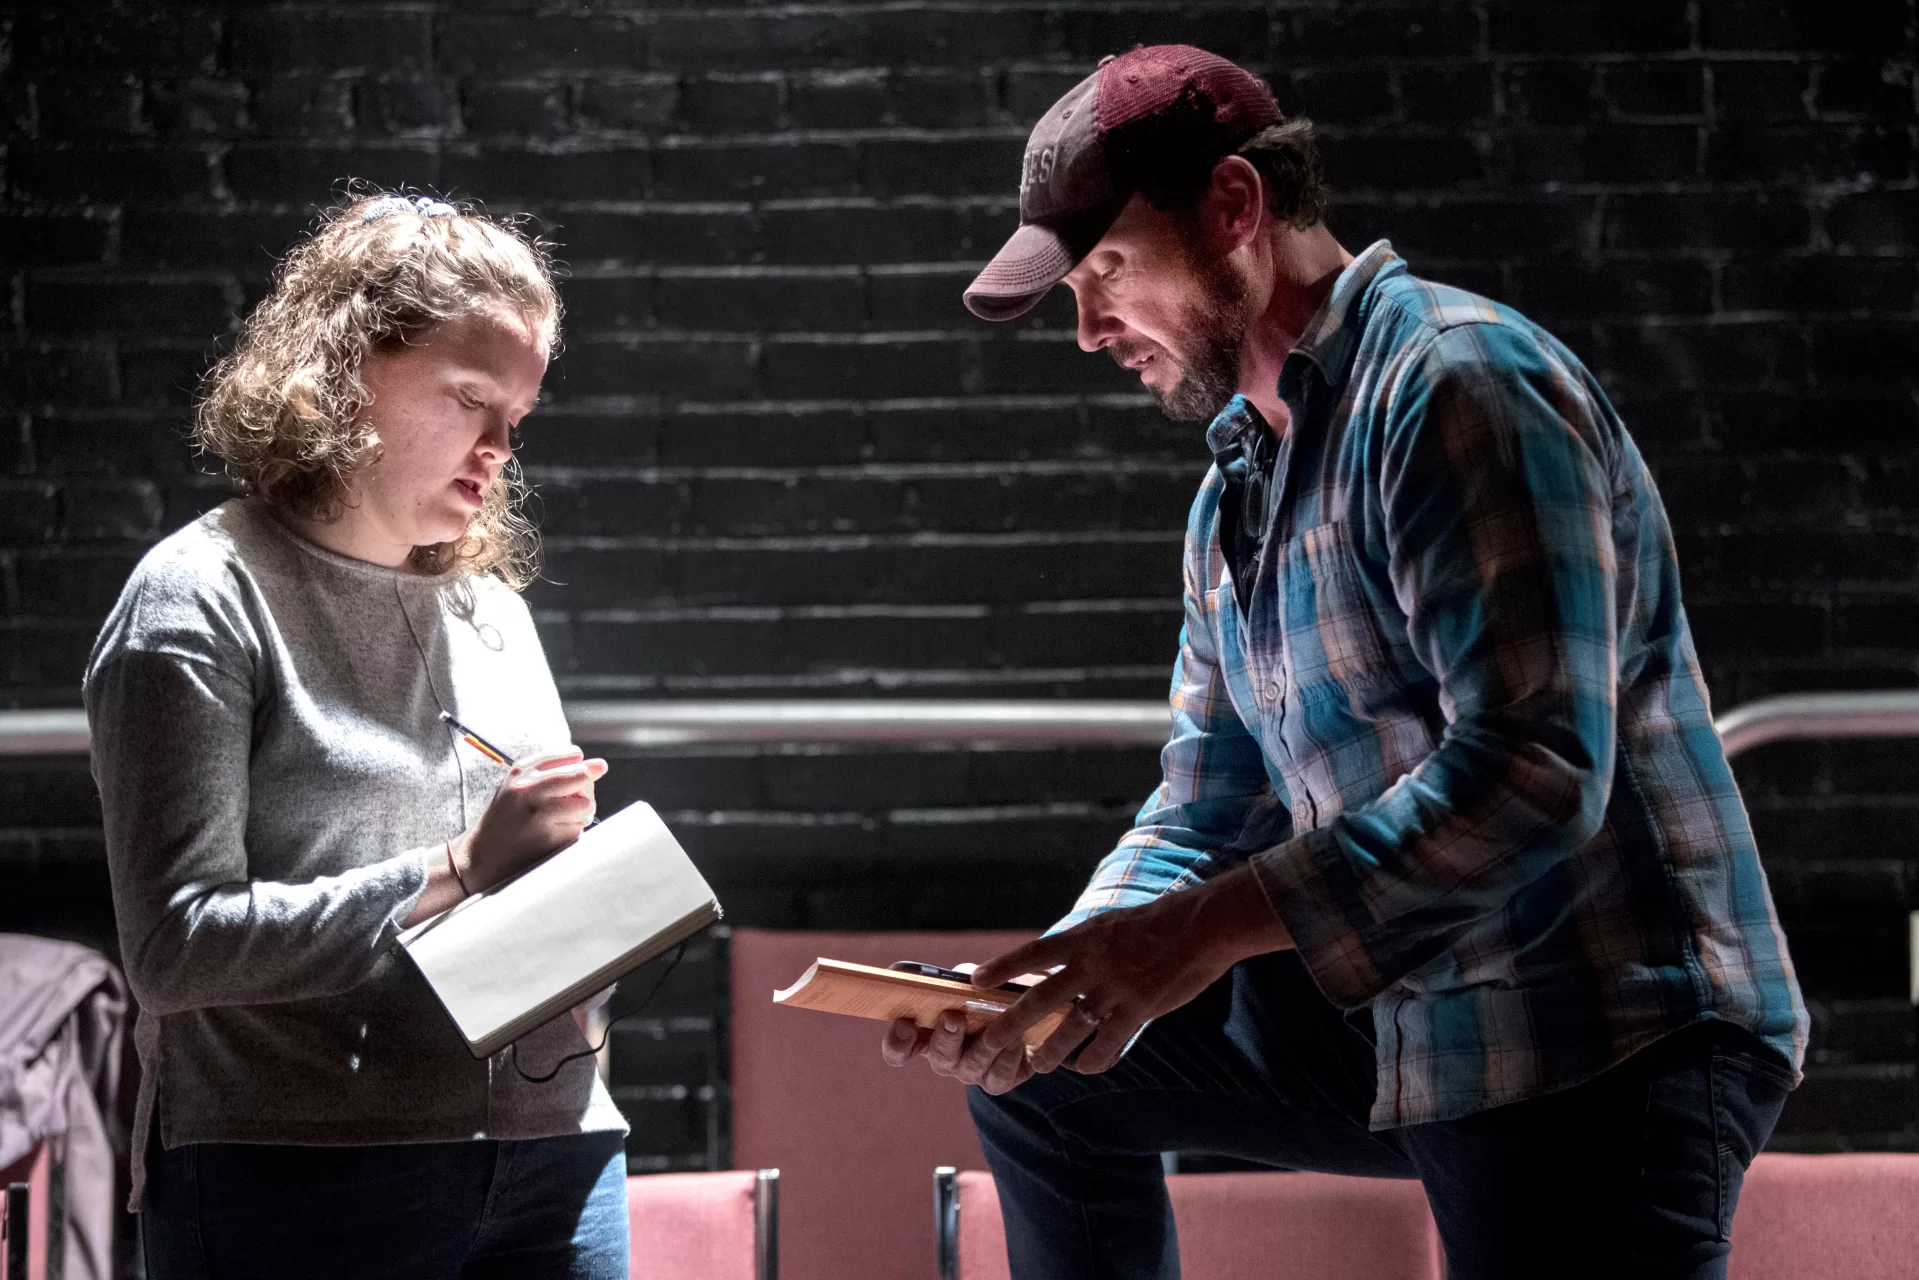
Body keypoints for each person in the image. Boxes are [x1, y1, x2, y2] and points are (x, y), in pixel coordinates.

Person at [881, 46, 1807, 1280]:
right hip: (1415, 1009)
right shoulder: (1233, 496)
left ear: (1233, 206)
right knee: (1054, 1075)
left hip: (1598, 1022)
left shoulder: (1456, 384)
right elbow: (1205, 801)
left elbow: (1534, 767)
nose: (1091, 329)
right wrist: (1079, 960)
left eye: (1108, 269)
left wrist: (1197, 934)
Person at [85, 193, 631, 1279]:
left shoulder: (492, 608)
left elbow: (536, 896)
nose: (497, 448)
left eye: (516, 414)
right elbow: (174, 949)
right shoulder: (197, 599)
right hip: (305, 1171)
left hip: (557, 1156)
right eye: (471, 397)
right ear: (343, 366)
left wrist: (603, 904)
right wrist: (462, 866)